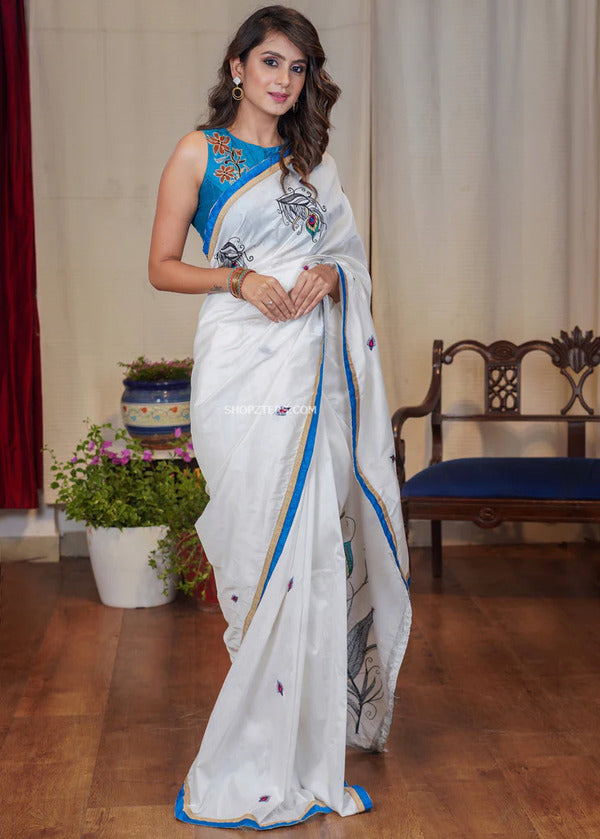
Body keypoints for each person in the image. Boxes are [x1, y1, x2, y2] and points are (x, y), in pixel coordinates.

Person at [148, 5, 411, 830]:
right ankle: (253, 746)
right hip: (237, 365)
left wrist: (331, 282)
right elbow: (160, 266)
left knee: (310, 547)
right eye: (270, 62)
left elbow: (346, 262)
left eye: (297, 69)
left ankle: (299, 746)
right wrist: (238, 282)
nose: (283, 79)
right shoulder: (199, 152)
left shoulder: (313, 163)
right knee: (257, 547)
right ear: (237, 66)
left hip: (312, 369)